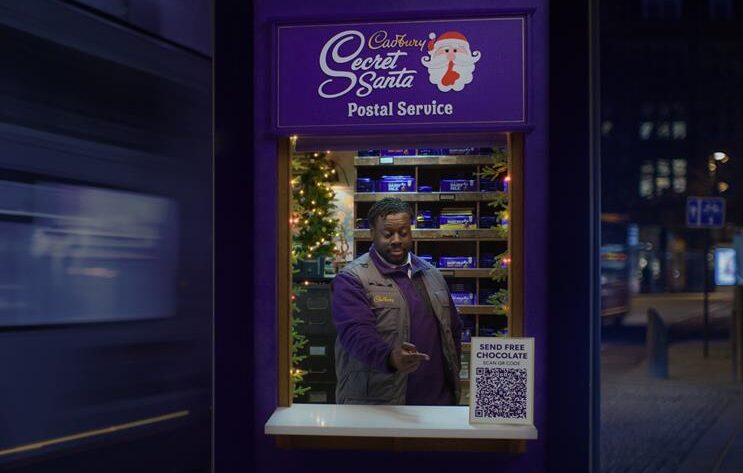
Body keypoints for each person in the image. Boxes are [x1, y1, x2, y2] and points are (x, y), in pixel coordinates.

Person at [332, 197, 462, 405]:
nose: (396, 240)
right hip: (379, 407)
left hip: (437, 404)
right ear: (372, 234)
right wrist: (390, 358)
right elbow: (355, 333)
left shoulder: (432, 275)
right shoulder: (352, 279)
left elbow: (452, 330)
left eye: (403, 233)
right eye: (387, 234)